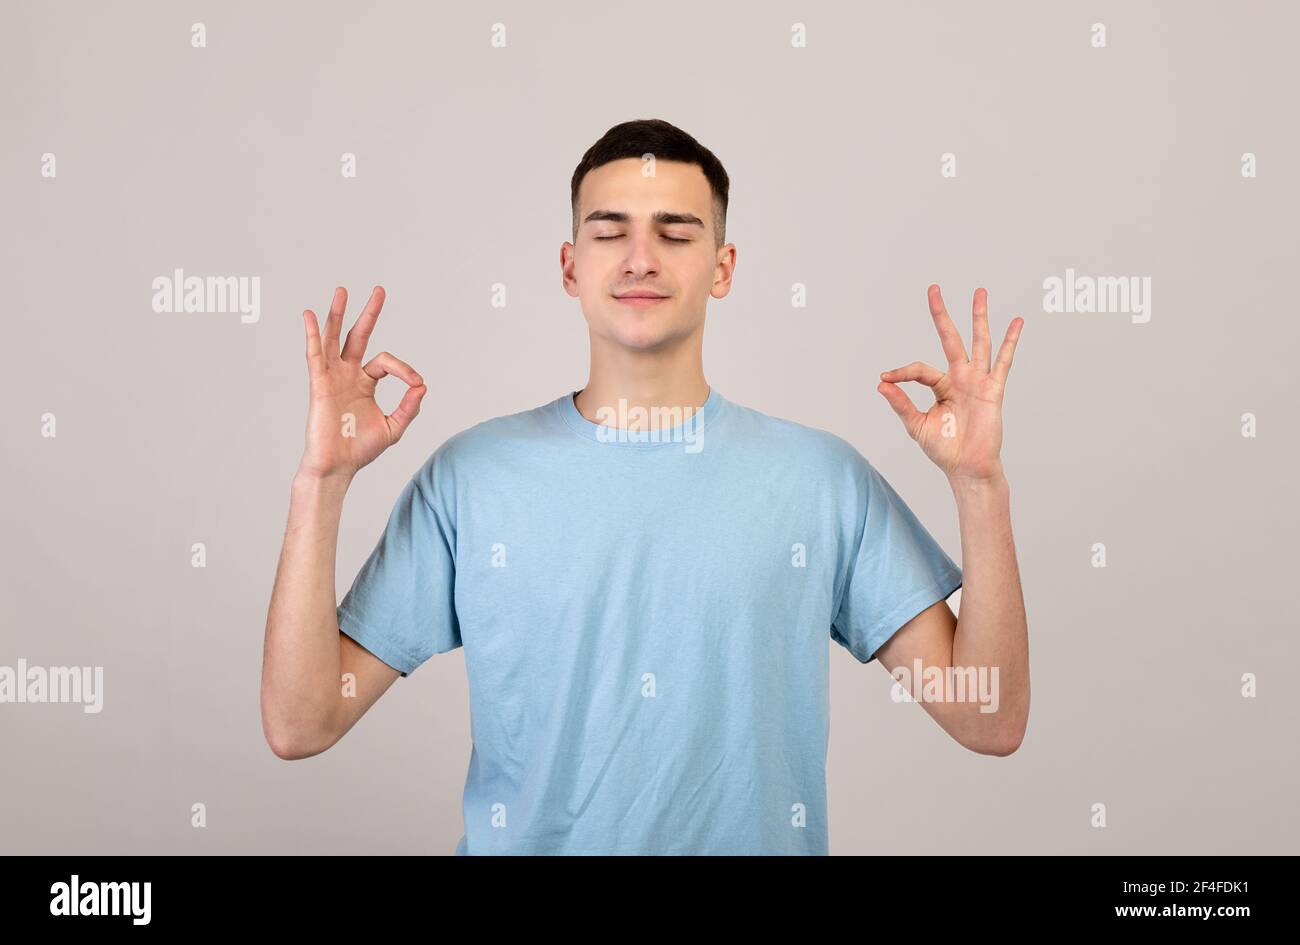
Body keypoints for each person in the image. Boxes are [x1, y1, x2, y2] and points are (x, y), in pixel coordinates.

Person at [260, 118, 1029, 855]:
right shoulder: (471, 479)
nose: (639, 258)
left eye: (674, 231)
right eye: (609, 230)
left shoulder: (821, 480)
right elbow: (302, 725)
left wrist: (980, 484)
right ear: (570, 265)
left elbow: (987, 719)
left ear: (722, 267)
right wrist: (320, 482)